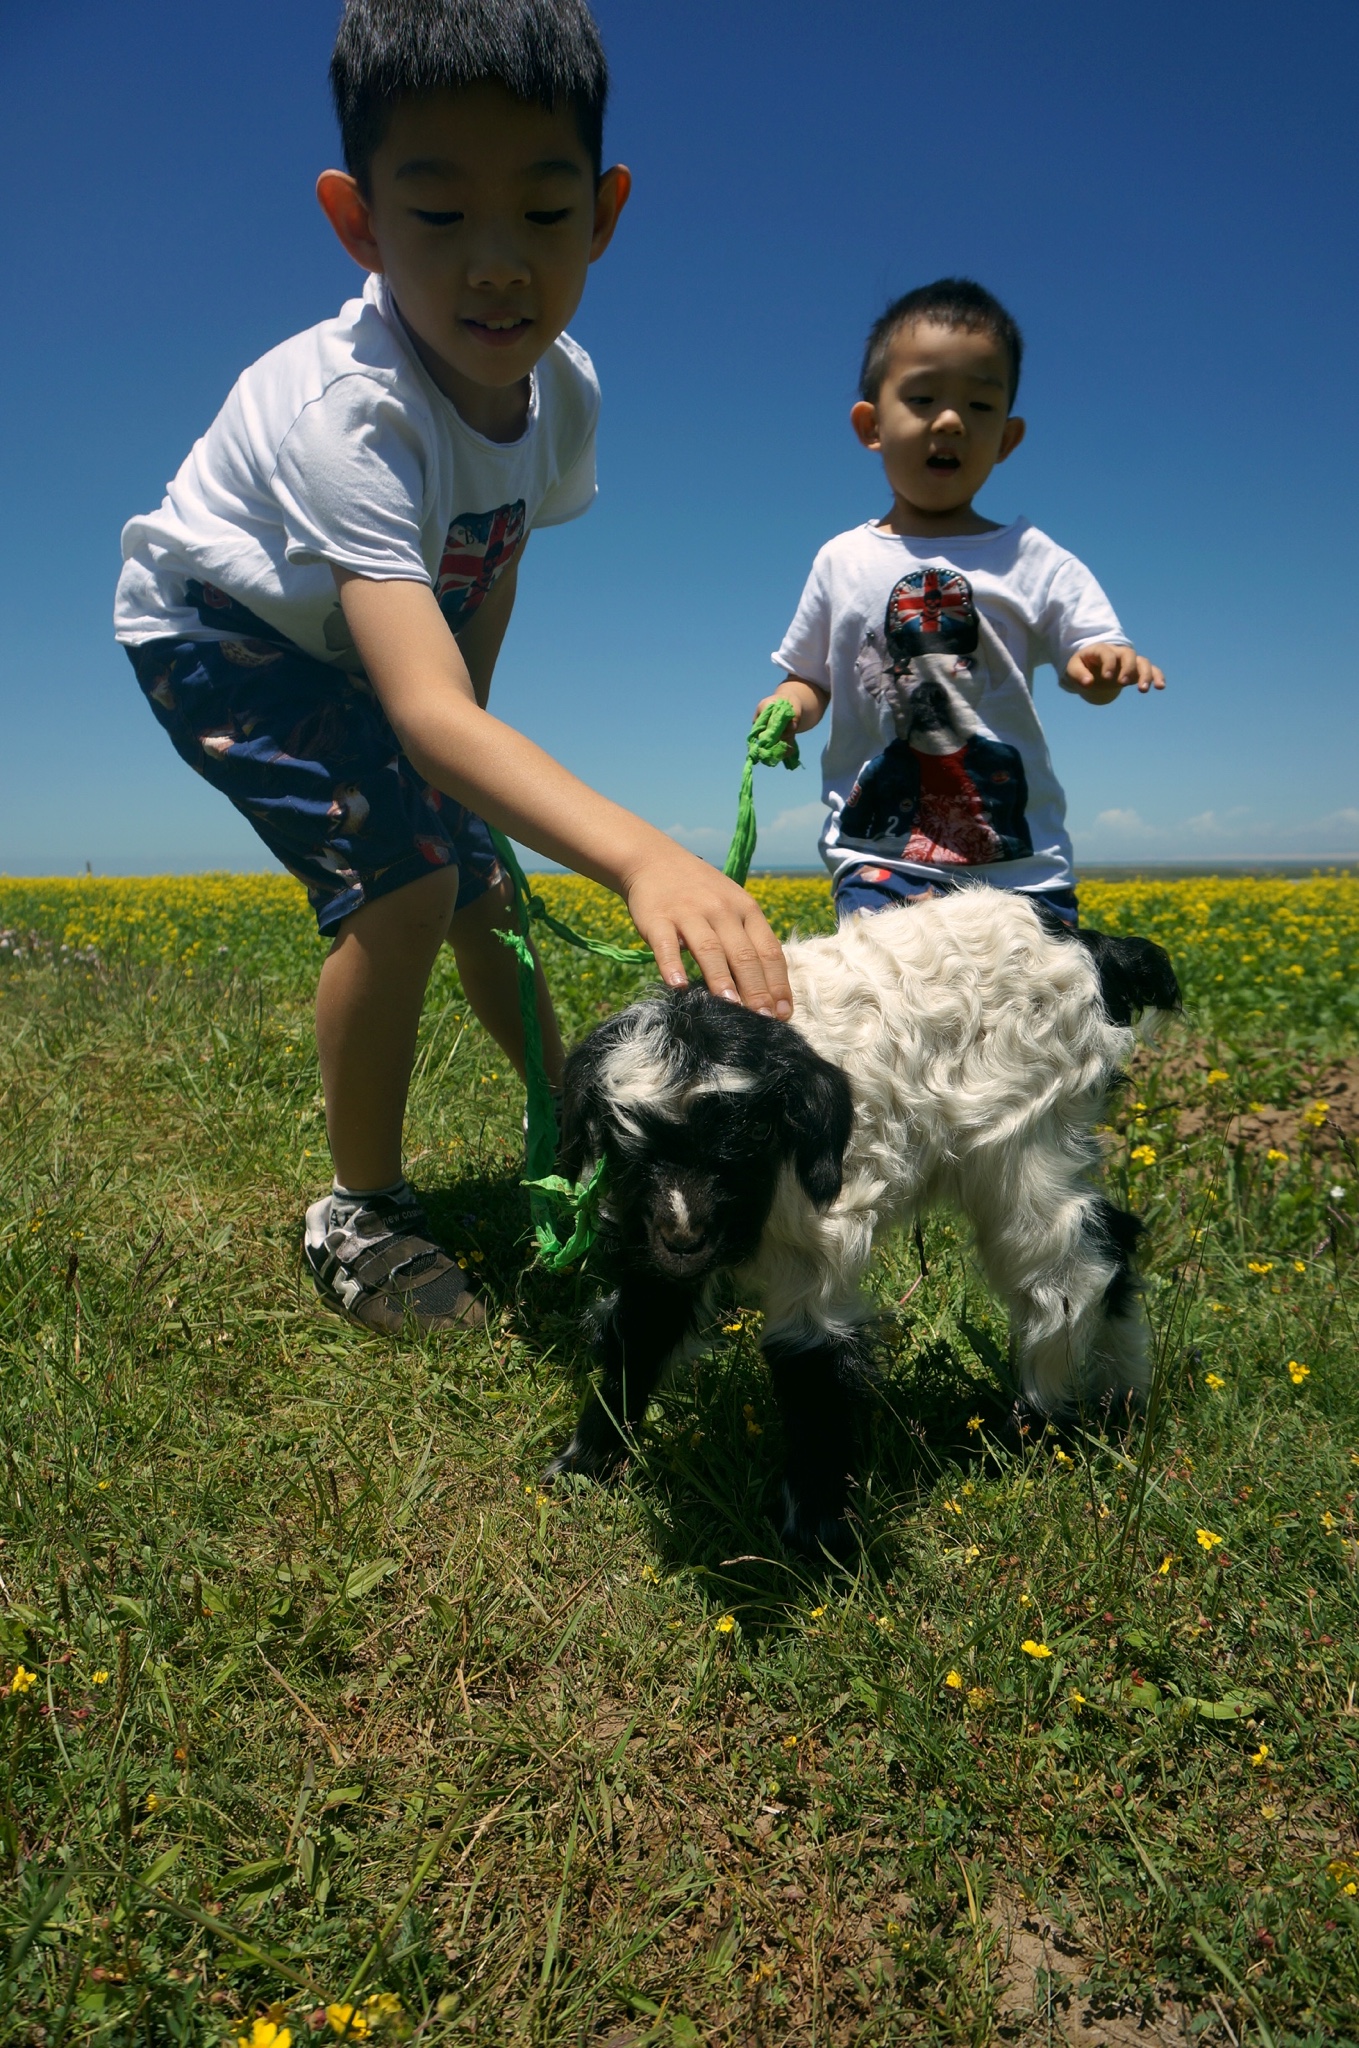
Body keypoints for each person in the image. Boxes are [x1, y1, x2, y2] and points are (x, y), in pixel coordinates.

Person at [115, 0, 791, 1336]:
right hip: (217, 635)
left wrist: (465, 746)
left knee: (486, 885)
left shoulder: (563, 392)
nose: (496, 266)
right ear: (358, 223)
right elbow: (420, 715)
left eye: (542, 216)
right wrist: (642, 855)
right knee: (412, 881)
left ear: (601, 214)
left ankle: (592, 1132)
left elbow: (489, 563)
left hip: (366, 646)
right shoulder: (348, 416)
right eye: (436, 216)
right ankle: (358, 1215)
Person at [758, 277, 1165, 927]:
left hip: (1021, 878)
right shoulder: (843, 559)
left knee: (1026, 1023)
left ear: (1006, 439)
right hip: (881, 866)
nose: (949, 420)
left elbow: (1088, 660)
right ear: (871, 424)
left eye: (978, 406)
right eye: (921, 398)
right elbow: (809, 676)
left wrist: (1103, 667)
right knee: (892, 1015)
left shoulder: (1033, 558)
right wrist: (786, 706)